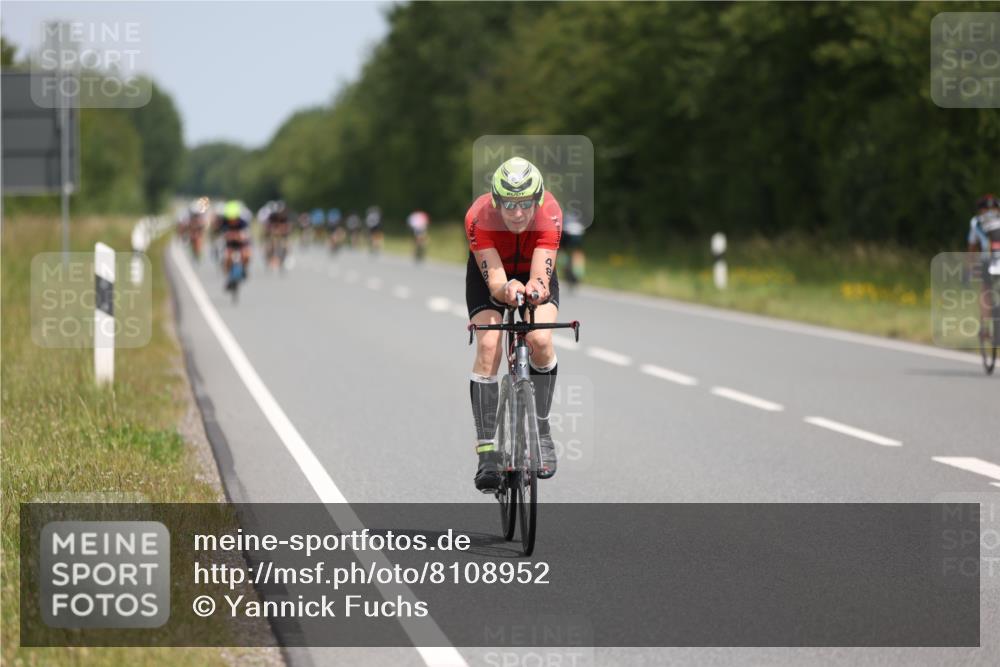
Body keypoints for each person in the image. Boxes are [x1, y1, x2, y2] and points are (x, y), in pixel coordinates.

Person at [465, 157, 562, 492]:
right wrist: (506, 289)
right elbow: (494, 282)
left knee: (541, 340)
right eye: (508, 204)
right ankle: (486, 452)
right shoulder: (479, 217)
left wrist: (535, 288)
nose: (517, 213)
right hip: (491, 276)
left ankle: (543, 430)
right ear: (496, 201)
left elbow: (540, 276)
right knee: (489, 345)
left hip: (530, 270)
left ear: (537, 201)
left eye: (524, 205)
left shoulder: (551, 213)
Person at [968, 194, 1000, 334]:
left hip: (987, 261)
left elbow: (972, 248)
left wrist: (969, 269)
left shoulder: (976, 222)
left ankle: (985, 327)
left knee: (985, 291)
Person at [216, 200, 251, 289]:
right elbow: (221, 235)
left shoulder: (243, 221)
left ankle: (244, 268)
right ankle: (229, 276)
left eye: (234, 218)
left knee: (246, 255)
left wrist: (238, 236)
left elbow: (247, 234)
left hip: (242, 243)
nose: (232, 220)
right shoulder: (224, 222)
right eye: (230, 218)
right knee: (227, 257)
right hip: (230, 244)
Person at [560, 207, 586, 288]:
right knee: (578, 252)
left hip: (566, 232)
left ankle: (566, 267)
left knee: (561, 251)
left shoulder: (563, 213)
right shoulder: (579, 214)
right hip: (578, 233)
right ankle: (578, 273)